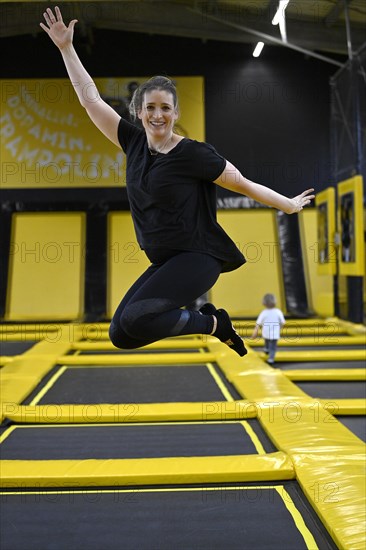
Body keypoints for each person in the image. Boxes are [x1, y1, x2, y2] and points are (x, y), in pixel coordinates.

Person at [40, 7, 314, 357]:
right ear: (139, 112)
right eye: (151, 107)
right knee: (120, 333)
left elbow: (243, 183)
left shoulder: (194, 154)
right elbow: (89, 98)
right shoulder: (133, 142)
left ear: (176, 113)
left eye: (166, 108)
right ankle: (215, 324)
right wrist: (66, 48)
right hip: (166, 261)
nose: (158, 115)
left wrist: (287, 204)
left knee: (139, 316)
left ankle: (212, 325)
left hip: (199, 256)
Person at [251, 294, 285, 365]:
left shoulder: (264, 312)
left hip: (266, 333)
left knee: (267, 341)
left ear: (264, 303)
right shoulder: (278, 311)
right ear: (275, 302)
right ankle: (271, 359)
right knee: (273, 347)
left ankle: (266, 349)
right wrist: (280, 327)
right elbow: (282, 322)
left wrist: (255, 332)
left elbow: (258, 324)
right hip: (275, 333)